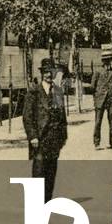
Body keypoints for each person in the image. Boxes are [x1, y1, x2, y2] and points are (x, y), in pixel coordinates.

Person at [22, 58, 68, 202]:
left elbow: (62, 115)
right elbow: (27, 116)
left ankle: (47, 202)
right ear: (42, 74)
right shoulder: (34, 91)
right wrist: (33, 136)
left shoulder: (58, 91)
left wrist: (63, 137)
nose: (48, 75)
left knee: (51, 173)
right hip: (40, 139)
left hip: (54, 139)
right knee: (39, 172)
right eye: (46, 72)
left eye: (51, 72)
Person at [90, 48, 112, 149]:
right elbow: (92, 86)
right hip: (100, 100)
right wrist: (97, 96)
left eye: (109, 59)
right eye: (105, 59)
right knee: (98, 122)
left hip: (111, 100)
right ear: (102, 60)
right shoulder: (98, 71)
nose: (107, 61)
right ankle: (96, 143)